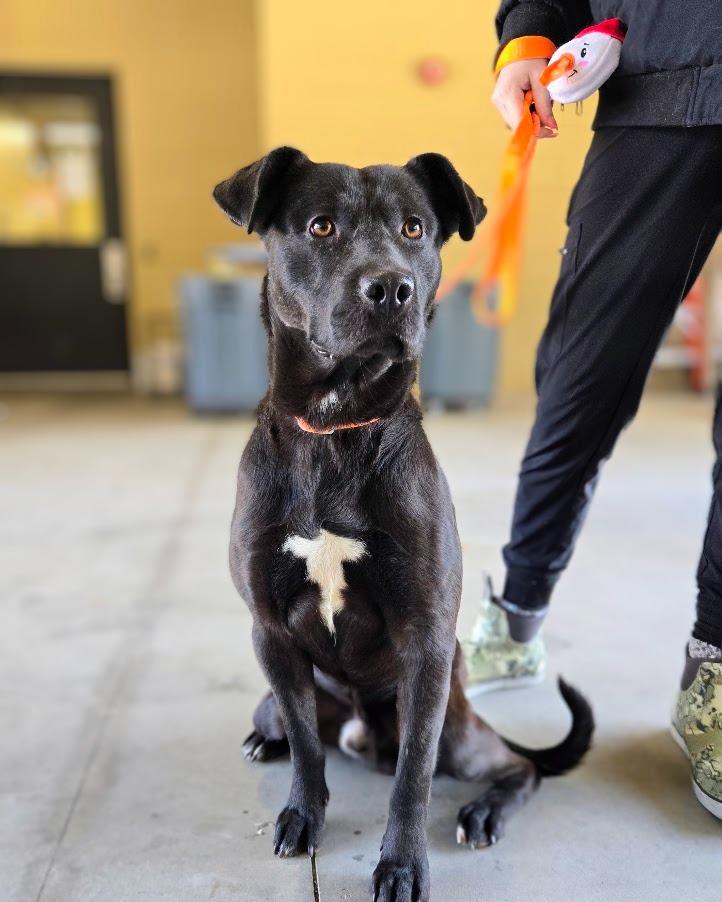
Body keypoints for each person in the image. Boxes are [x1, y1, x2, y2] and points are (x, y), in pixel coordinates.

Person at [462, 0, 722, 819]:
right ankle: (517, 611)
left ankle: (713, 675)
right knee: (581, 382)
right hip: (659, 85)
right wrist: (526, 43)